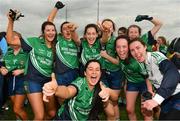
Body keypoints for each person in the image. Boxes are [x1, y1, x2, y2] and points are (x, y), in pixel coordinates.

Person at [6, 10, 57, 120]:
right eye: (47, 30)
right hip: (32, 81)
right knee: (39, 116)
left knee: (52, 113)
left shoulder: (56, 46)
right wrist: (11, 21)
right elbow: (10, 40)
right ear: (43, 32)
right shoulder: (34, 42)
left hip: (47, 82)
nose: (51, 32)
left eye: (53, 30)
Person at [42, 59, 115, 120]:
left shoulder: (101, 86)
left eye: (97, 70)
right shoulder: (80, 83)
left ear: (100, 73)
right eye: (90, 69)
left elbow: (115, 97)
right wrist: (56, 89)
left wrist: (108, 93)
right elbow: (68, 92)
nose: (94, 72)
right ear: (85, 73)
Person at [129, 38, 180, 120]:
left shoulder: (155, 56)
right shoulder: (142, 64)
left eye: (138, 48)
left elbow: (172, 73)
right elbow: (149, 77)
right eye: (132, 50)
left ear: (145, 47)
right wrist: (151, 92)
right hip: (167, 97)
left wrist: (157, 99)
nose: (136, 52)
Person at [115, 35, 153, 121]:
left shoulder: (136, 62)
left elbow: (147, 77)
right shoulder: (120, 56)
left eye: (124, 47)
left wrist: (150, 91)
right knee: (129, 109)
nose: (121, 50)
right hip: (132, 83)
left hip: (145, 83)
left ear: (128, 48)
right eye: (118, 47)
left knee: (146, 110)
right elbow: (118, 63)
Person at [47, 1, 79, 87]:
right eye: (65, 29)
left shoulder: (76, 41)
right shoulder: (58, 39)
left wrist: (73, 28)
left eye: (69, 28)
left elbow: (77, 38)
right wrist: (56, 8)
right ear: (61, 32)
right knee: (61, 97)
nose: (68, 31)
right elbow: (49, 22)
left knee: (73, 96)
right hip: (60, 73)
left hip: (74, 72)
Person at [98, 19, 125, 120]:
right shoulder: (99, 40)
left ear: (113, 29)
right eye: (104, 26)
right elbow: (103, 40)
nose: (107, 28)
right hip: (103, 73)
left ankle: (116, 118)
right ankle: (110, 117)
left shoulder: (117, 41)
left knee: (114, 99)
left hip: (115, 74)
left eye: (109, 26)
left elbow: (119, 62)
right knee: (105, 98)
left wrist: (106, 56)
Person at [0, 31, 28, 120]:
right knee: (17, 107)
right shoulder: (8, 51)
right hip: (10, 81)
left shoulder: (27, 52)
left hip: (23, 81)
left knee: (17, 108)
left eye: (15, 38)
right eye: (11, 39)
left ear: (20, 40)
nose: (13, 41)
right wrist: (2, 68)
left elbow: (33, 66)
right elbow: (2, 63)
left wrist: (22, 70)